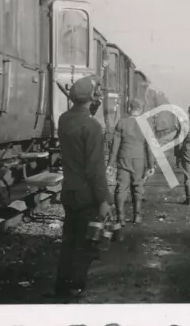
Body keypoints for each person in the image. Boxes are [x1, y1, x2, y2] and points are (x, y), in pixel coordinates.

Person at [54, 75, 112, 299]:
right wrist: (104, 200)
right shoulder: (93, 126)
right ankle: (75, 287)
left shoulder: (64, 120)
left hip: (69, 191)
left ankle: (62, 284)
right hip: (87, 194)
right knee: (86, 243)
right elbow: (95, 169)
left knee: (69, 241)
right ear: (93, 99)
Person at [107, 99, 155, 225]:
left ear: (129, 108)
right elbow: (150, 147)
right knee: (138, 186)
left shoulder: (122, 122)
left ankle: (120, 218)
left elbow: (115, 146)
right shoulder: (146, 124)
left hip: (124, 158)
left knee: (121, 188)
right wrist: (151, 165)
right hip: (139, 159)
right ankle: (137, 216)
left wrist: (110, 164)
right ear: (141, 110)